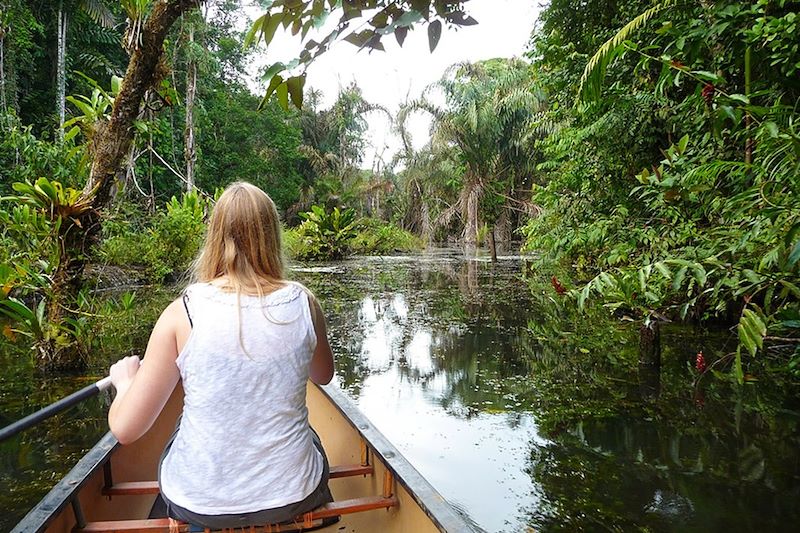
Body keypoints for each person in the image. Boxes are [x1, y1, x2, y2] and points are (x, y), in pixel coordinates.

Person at [107, 181, 335, 529]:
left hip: (201, 503)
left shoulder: (181, 312)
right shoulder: (305, 302)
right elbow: (323, 375)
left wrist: (125, 383)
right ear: (272, 238)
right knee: (313, 437)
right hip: (293, 494)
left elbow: (125, 429)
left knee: (180, 432)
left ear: (214, 237)